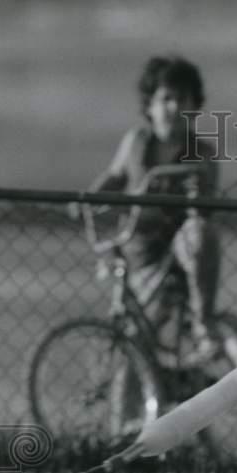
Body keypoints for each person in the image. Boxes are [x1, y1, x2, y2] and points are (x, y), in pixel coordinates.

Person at [76, 55, 221, 354]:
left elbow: (207, 204)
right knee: (136, 340)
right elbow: (115, 176)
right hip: (139, 246)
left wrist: (198, 196)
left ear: (195, 107)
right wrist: (88, 200)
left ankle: (202, 323)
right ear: (150, 106)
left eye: (183, 100)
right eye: (166, 99)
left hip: (179, 250)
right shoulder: (136, 142)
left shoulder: (201, 152)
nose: (174, 108)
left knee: (199, 233)